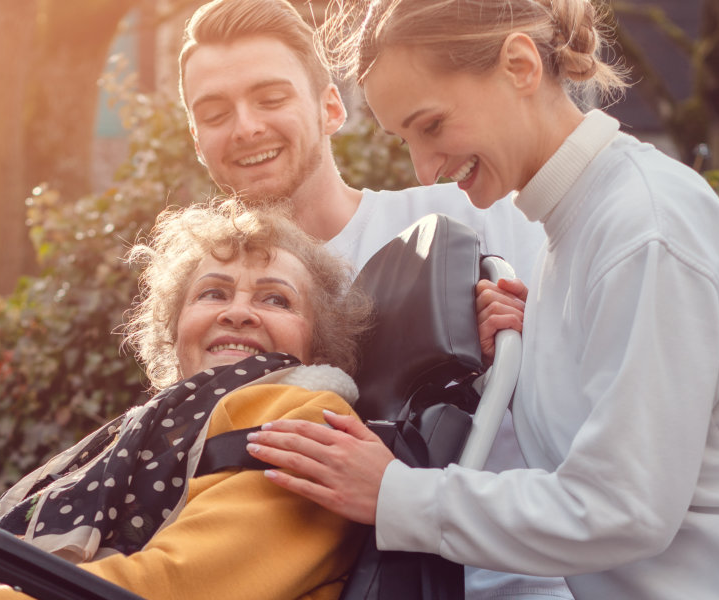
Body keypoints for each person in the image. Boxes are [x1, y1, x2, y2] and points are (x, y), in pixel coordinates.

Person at [246, 0, 719, 598]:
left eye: (431, 125)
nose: (424, 169)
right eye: (405, 140)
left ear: (517, 65)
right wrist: (531, 354)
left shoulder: (642, 225)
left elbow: (622, 507)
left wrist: (394, 493)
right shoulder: (575, 237)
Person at [176, 3, 569, 597]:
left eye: (270, 98)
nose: (246, 127)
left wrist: (520, 339)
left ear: (331, 108)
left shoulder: (468, 212)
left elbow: (601, 397)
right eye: (215, 112)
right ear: (198, 141)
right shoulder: (213, 308)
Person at [0, 200, 373, 600]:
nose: (238, 313)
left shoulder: (308, 417)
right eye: (213, 294)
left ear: (319, 341)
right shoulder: (152, 432)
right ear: (177, 330)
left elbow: (168, 588)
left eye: (275, 299)